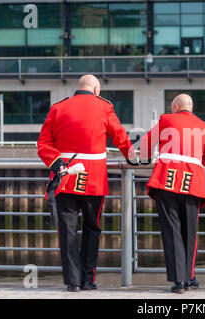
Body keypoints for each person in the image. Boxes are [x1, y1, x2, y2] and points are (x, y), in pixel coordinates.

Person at [37, 74, 139, 292]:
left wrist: (57, 163)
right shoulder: (104, 107)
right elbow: (120, 136)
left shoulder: (58, 107)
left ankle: (73, 282)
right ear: (96, 89)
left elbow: (43, 142)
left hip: (65, 177)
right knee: (92, 229)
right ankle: (88, 279)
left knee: (68, 231)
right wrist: (132, 158)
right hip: (93, 178)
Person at [139, 94, 205, 294]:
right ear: (191, 107)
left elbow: (146, 145)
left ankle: (179, 281)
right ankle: (189, 277)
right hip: (193, 181)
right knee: (190, 232)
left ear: (175, 106)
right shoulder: (204, 126)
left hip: (167, 178)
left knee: (172, 230)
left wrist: (147, 158)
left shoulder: (166, 119)